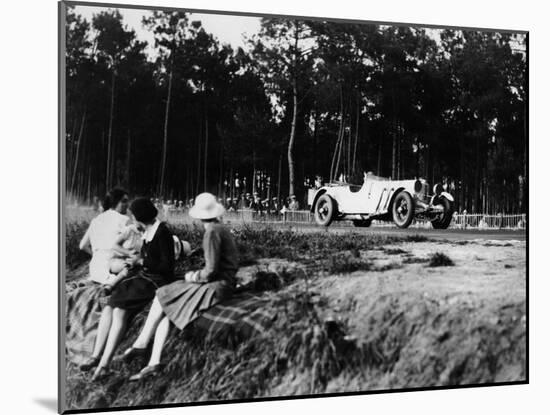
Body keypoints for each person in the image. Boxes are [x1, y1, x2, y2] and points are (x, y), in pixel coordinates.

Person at [122, 192, 239, 381]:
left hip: (217, 286)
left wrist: (193, 276)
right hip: (225, 282)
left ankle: (142, 344)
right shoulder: (221, 228)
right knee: (168, 303)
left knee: (164, 293)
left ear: (200, 214)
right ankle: (154, 361)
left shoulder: (212, 233)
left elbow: (210, 271)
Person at [81, 198, 176, 381]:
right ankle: (97, 357)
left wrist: (141, 261)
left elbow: (167, 267)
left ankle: (103, 365)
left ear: (140, 217)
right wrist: (136, 260)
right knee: (110, 306)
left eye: (134, 216)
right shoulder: (148, 231)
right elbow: (148, 257)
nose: (132, 219)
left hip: (156, 281)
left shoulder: (162, 232)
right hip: (145, 277)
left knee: (119, 311)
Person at [79, 188, 130, 286]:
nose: (127, 205)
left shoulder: (96, 220)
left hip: (95, 266)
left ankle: (85, 284)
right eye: (124, 201)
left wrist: (96, 254)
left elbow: (82, 246)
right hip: (113, 264)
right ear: (114, 202)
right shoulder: (124, 220)